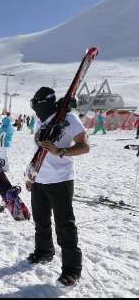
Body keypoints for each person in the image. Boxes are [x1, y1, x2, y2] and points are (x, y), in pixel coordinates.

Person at [27, 87, 90, 287]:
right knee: (41, 222)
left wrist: (60, 150)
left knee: (64, 226)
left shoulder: (69, 118)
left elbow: (85, 146)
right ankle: (44, 252)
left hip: (61, 181)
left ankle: (72, 271)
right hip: (39, 180)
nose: (35, 109)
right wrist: (31, 176)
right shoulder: (41, 120)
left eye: (37, 105)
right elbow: (39, 150)